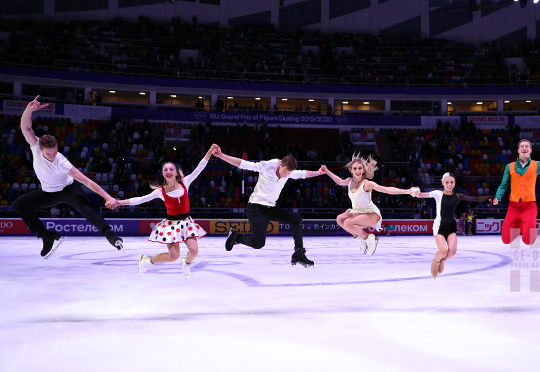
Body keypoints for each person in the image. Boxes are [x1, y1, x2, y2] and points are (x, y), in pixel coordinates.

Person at [13, 96, 122, 258]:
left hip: (68, 189)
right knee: (19, 206)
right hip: (48, 192)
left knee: (86, 210)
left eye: (55, 152)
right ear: (40, 148)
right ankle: (46, 235)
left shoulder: (61, 162)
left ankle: (112, 237)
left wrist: (108, 197)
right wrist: (28, 110)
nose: (52, 156)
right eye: (49, 154)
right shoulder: (35, 146)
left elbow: (85, 180)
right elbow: (25, 127)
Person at [212, 144, 324, 267]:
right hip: (256, 208)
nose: (286, 175)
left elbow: (303, 174)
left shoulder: (288, 172)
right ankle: (236, 238)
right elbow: (243, 164)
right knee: (258, 244)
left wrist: (318, 172)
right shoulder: (267, 166)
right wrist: (221, 155)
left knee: (296, 218)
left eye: (288, 173)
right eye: (285, 171)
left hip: (270, 208)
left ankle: (298, 252)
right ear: (280, 164)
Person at [116, 146, 214, 279]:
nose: (168, 171)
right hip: (171, 225)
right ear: (163, 173)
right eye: (165, 169)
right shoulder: (160, 191)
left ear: (176, 172)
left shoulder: (185, 182)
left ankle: (186, 262)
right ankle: (147, 260)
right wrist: (119, 202)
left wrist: (209, 151)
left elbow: (200, 167)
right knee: (173, 256)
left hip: (186, 222)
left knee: (194, 251)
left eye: (171, 169)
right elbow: (140, 200)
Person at [321, 154, 416, 254]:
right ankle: (359, 237)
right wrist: (326, 171)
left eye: (360, 168)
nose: (357, 171)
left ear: (363, 170)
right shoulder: (349, 181)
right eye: (355, 168)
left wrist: (407, 191)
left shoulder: (367, 184)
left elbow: (386, 189)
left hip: (370, 213)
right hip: (357, 211)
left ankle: (369, 238)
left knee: (347, 223)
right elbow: (339, 181)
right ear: (351, 170)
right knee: (340, 219)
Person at [413, 173, 490, 278]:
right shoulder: (437, 193)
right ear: (442, 183)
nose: (449, 184)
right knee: (443, 250)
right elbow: (421, 195)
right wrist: (415, 191)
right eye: (447, 182)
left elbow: (475, 198)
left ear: (454, 183)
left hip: (451, 225)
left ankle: (443, 260)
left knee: (452, 252)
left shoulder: (458, 196)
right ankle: (435, 261)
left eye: (452, 182)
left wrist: (490, 197)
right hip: (439, 225)